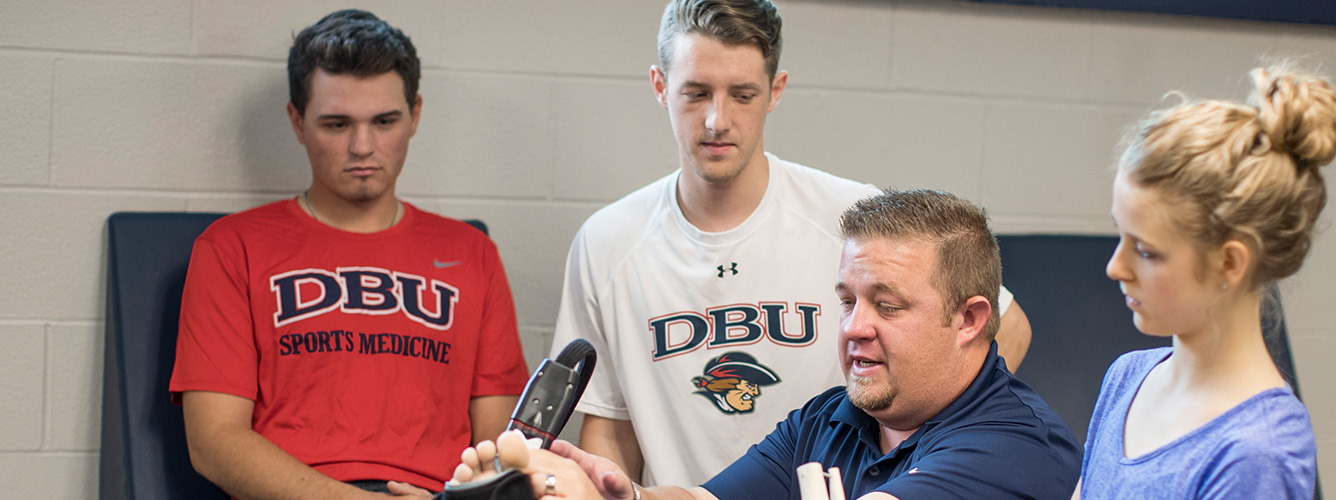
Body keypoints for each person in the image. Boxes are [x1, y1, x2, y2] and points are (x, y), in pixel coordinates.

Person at [549, 0, 1035, 487]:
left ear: (775, 91)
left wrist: (910, 459)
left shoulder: (854, 223)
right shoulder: (607, 242)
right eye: (696, 93)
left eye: (742, 95)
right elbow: (611, 423)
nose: (718, 120)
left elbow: (1007, 328)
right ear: (660, 86)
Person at [463, 189, 1082, 500]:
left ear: (972, 319)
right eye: (847, 301)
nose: (853, 328)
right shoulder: (833, 417)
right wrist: (610, 492)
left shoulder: (1012, 448)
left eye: (887, 306)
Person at [169, 9, 530, 498]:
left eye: (384, 121)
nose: (363, 146)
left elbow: (500, 446)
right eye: (336, 124)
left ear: (414, 115)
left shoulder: (471, 254)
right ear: (297, 122)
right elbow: (214, 443)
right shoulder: (232, 248)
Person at [1073, 66, 1336, 499]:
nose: (1116, 267)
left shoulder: (1256, 452)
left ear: (1229, 263)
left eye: (1146, 251)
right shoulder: (1127, 378)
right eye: (1120, 236)